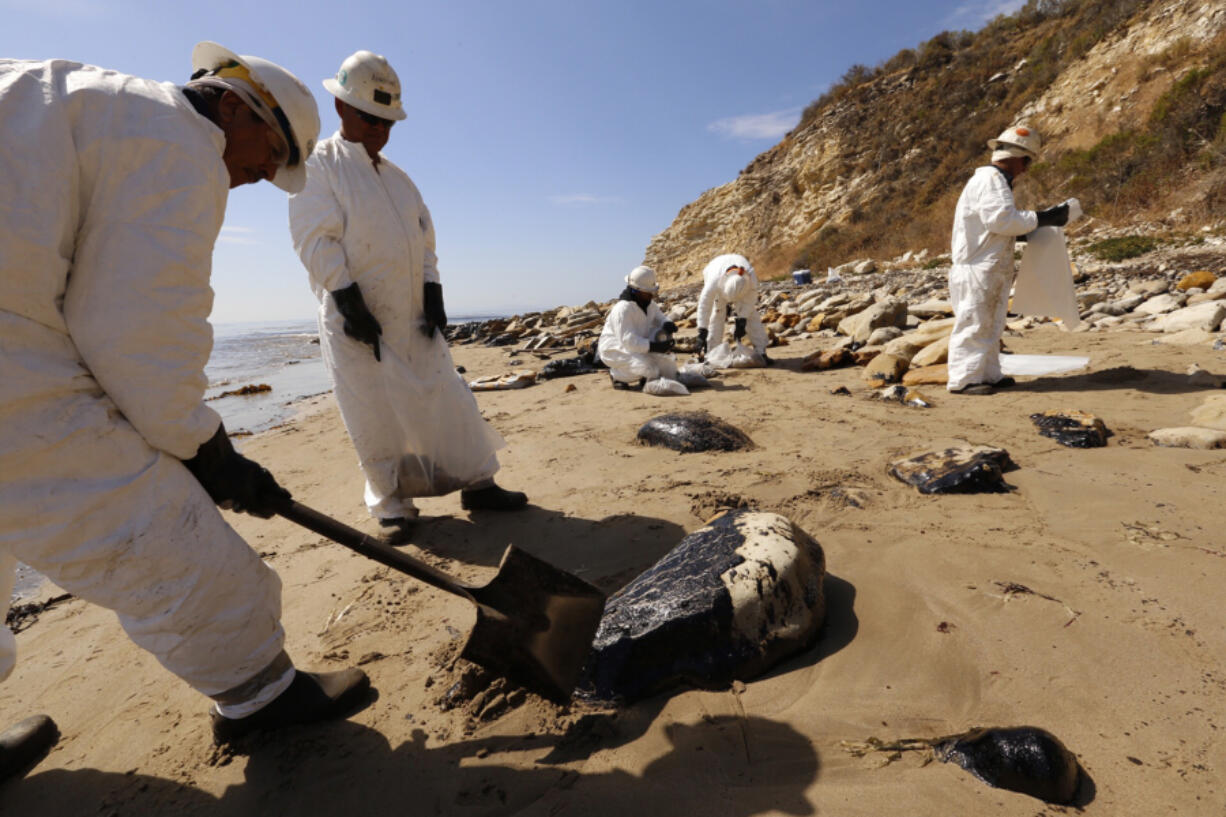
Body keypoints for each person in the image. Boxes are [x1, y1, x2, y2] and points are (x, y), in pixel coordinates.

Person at [0, 44, 374, 764]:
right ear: (233, 104)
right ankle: (258, 692)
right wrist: (205, 450)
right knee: (146, 519)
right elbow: (132, 331)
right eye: (268, 156)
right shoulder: (176, 137)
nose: (261, 177)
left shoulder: (68, 93)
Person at [289, 51, 526, 529]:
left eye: (387, 121)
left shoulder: (400, 180)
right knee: (374, 413)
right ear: (341, 109)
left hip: (413, 317)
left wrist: (433, 289)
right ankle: (392, 504)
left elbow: (424, 242)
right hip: (358, 317)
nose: (380, 129)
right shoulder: (320, 166)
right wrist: (344, 295)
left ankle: (479, 484)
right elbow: (316, 240)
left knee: (449, 396)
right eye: (370, 117)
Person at [947, 125, 1070, 395]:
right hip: (978, 268)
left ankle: (988, 374)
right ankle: (964, 379)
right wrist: (1042, 218)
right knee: (975, 323)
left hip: (987, 266)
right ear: (1017, 157)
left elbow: (993, 226)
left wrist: (1030, 230)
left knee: (990, 322)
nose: (1025, 169)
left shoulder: (992, 180)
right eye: (1026, 161)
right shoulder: (991, 180)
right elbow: (1001, 220)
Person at [597, 266, 682, 391]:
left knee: (664, 366)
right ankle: (617, 375)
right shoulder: (623, 309)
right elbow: (628, 341)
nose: (652, 294)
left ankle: (641, 374)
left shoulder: (649, 304)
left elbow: (660, 318)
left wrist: (667, 323)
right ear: (636, 290)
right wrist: (655, 347)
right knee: (649, 369)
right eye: (648, 292)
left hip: (637, 345)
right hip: (614, 350)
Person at [695, 253, 771, 365]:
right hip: (715, 268)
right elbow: (704, 305)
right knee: (717, 313)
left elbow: (750, 301)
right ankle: (711, 352)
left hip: (740, 284)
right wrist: (702, 330)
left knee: (751, 315)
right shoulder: (713, 281)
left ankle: (761, 352)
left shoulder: (750, 278)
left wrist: (742, 319)